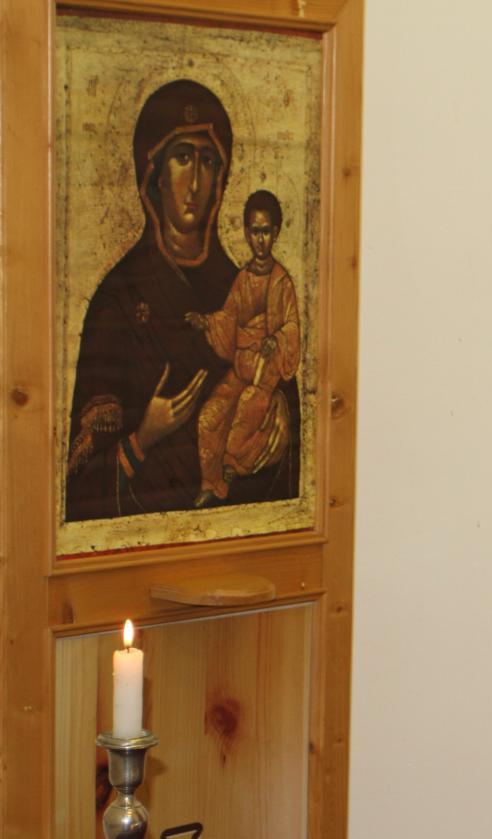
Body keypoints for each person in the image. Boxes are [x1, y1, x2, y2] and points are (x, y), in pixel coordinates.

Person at [65, 79, 298, 522]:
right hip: (142, 545)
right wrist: (143, 438)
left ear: (220, 179)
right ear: (154, 173)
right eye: (182, 157)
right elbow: (77, 491)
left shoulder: (245, 284)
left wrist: (281, 425)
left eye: (207, 161)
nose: (194, 181)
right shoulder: (118, 298)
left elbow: (283, 397)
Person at [187, 190, 302, 505]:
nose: (260, 240)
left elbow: (292, 327)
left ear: (275, 233)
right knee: (209, 416)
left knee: (246, 408)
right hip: (240, 371)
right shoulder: (242, 279)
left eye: (266, 232)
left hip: (264, 376)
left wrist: (276, 339)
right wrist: (206, 322)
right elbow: (228, 318)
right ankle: (209, 482)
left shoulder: (281, 282)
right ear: (247, 234)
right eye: (254, 232)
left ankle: (229, 471)